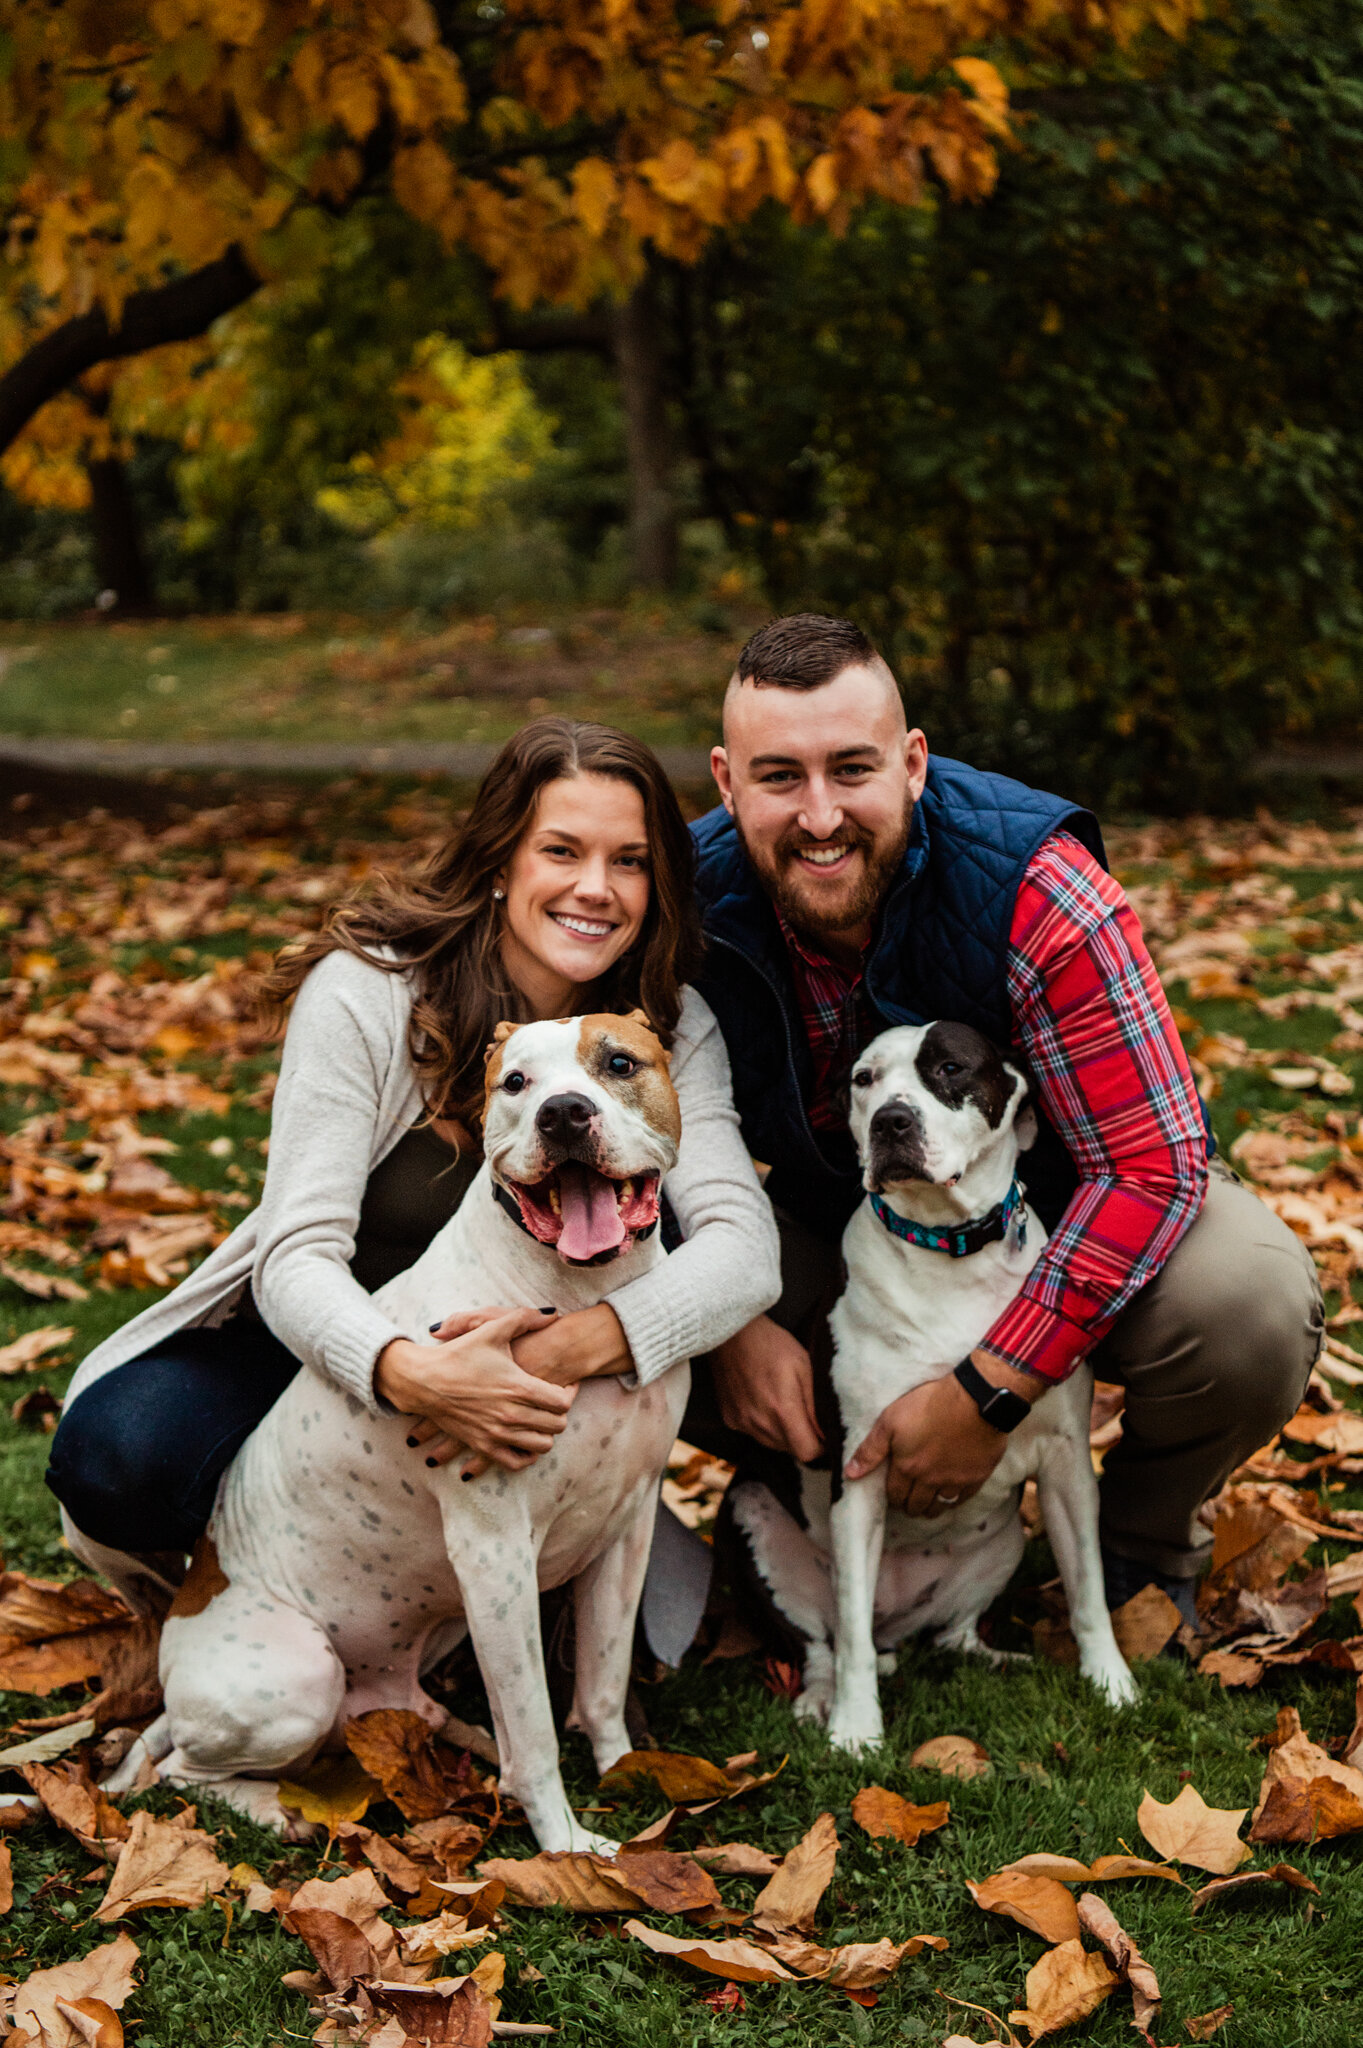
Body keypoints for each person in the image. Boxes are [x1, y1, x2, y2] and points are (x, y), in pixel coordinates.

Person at [48, 719, 780, 1612]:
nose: (595, 888)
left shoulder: (668, 1024)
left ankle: (545, 1549)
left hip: (560, 1368)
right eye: (561, 850)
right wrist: (408, 1373)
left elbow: (742, 1248)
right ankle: (266, 1601)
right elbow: (296, 1254)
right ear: (502, 859)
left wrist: (570, 1351)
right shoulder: (369, 993)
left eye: (628, 861)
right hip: (326, 1341)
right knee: (121, 1454)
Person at [688, 613, 1322, 1620]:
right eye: (778, 778)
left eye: (851, 769)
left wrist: (991, 1387)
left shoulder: (1034, 886)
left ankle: (1139, 1545)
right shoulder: (683, 902)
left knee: (1244, 1303)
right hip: (838, 1226)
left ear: (912, 762)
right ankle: (786, 1509)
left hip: (1068, 1210)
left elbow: (1152, 1170)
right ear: (726, 782)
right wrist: (719, 1316)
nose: (818, 816)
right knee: (584, 1284)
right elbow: (615, 1128)